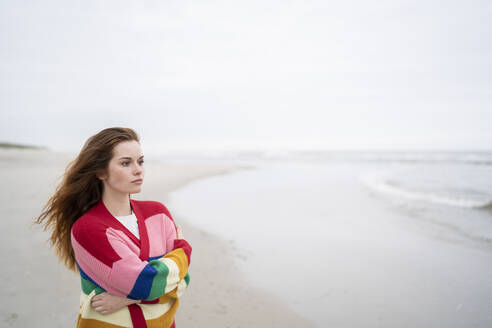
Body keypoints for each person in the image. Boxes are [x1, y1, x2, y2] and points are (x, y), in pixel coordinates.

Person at [34, 127, 192, 328]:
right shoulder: (88, 229)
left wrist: (129, 298)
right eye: (126, 163)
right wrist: (183, 251)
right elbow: (147, 282)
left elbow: (183, 281)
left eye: (140, 161)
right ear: (101, 171)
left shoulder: (158, 214)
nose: (138, 170)